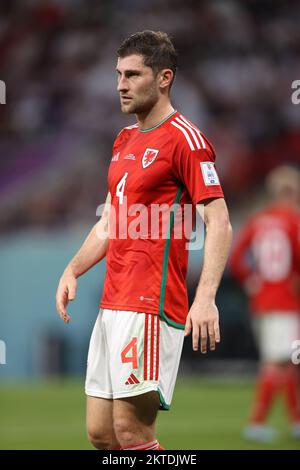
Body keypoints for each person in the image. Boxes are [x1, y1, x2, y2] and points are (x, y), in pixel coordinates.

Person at [56, 30, 232, 451]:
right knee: (101, 435)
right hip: (112, 301)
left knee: (134, 433)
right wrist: (74, 268)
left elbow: (219, 219)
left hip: (149, 303)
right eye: (118, 74)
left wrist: (205, 297)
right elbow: (110, 220)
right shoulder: (124, 140)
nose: (120, 84)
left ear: (164, 78)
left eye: (133, 75)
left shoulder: (186, 139)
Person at [230, 165, 300, 443]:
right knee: (277, 363)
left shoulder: (258, 220)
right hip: (285, 301)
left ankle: (296, 421)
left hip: (263, 301)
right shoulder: (293, 221)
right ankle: (256, 423)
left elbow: (236, 259)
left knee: (287, 362)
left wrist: (252, 281)